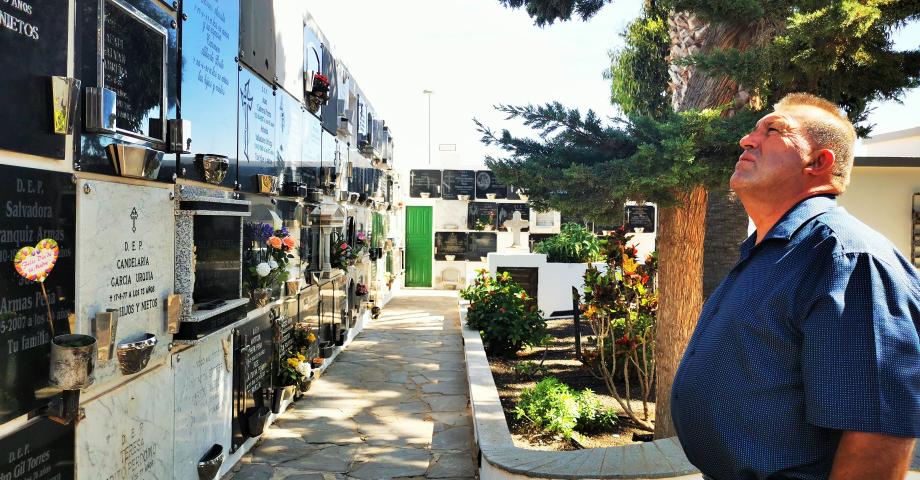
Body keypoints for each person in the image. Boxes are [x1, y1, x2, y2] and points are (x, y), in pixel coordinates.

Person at [671, 93, 920, 480]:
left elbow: (878, 434)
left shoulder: (846, 258)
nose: (747, 140)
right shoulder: (770, 251)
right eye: (753, 130)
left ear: (819, 162)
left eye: (773, 130)